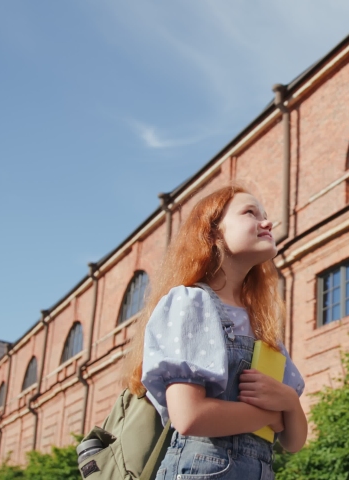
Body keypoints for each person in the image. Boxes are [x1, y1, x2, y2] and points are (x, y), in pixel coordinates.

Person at [122, 185, 307, 480]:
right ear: (213, 232)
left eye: (266, 216)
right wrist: (270, 416)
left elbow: (293, 442)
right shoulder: (191, 302)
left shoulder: (262, 325)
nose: (268, 223)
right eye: (250, 213)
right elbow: (189, 416)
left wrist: (288, 400)